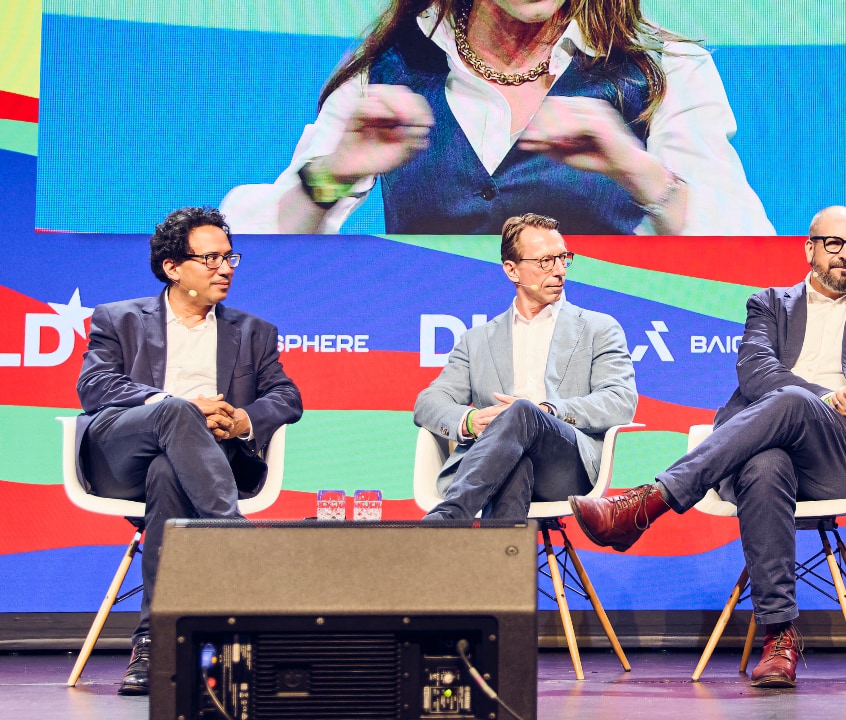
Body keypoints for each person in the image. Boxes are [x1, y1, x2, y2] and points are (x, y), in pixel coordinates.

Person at [569, 206, 846, 688]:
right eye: (834, 243)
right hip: (763, 449)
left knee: (793, 402)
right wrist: (830, 396)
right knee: (766, 464)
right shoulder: (769, 303)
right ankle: (779, 638)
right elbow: (757, 375)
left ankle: (649, 502)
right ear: (810, 249)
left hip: (839, 456)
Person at [220, 0, 773, 236]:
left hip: (606, 381)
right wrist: (332, 174)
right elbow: (243, 255)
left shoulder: (664, 70)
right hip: (429, 384)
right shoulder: (388, 70)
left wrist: (638, 171)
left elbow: (751, 257)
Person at [75, 207, 303, 695]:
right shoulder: (118, 318)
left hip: (200, 465)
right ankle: (232, 534)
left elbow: (287, 397)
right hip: (122, 455)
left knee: (167, 473)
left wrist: (242, 420)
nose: (226, 269)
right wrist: (171, 404)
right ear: (173, 267)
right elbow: (94, 386)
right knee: (177, 412)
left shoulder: (253, 331)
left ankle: (152, 643)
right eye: (211, 259)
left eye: (230, 257)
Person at [414, 212, 637, 519]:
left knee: (522, 411)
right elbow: (428, 403)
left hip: (565, 466)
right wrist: (471, 420)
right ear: (512, 270)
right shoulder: (477, 340)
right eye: (546, 261)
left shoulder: (598, 329)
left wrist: (546, 411)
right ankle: (498, 550)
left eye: (563, 258)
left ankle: (448, 518)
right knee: (516, 462)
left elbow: (620, 401)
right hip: (496, 465)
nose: (559, 270)